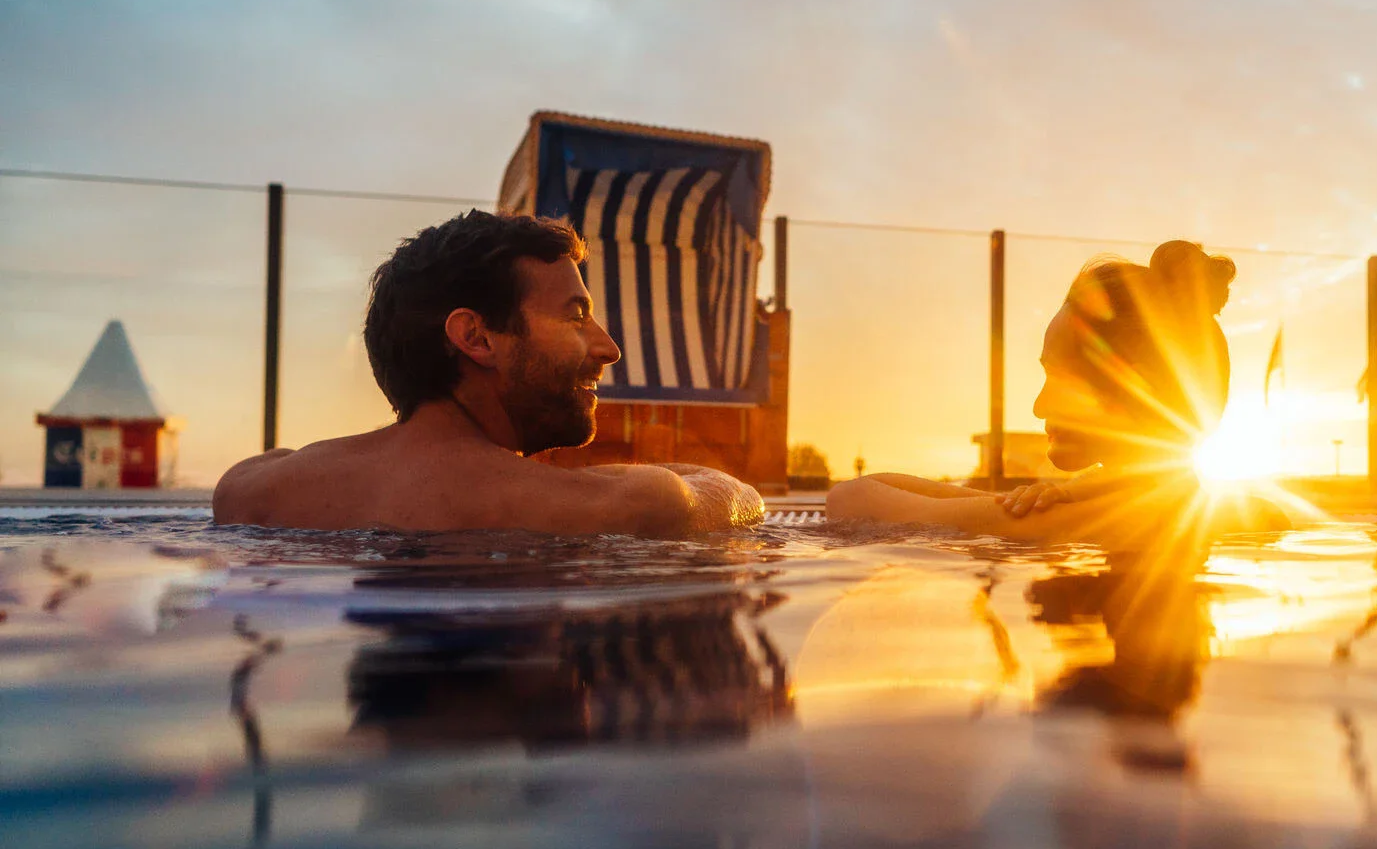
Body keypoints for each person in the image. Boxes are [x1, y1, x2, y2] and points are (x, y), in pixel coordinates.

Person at [213, 211, 762, 535]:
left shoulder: (250, 491)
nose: (608, 347)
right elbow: (731, 503)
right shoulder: (607, 506)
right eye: (575, 315)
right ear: (475, 338)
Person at [826, 240, 1286, 543]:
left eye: (1060, 379)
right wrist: (1063, 491)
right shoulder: (1179, 510)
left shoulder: (1104, 522)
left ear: (1135, 390)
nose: (1040, 404)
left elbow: (851, 500)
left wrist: (1048, 500)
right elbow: (880, 488)